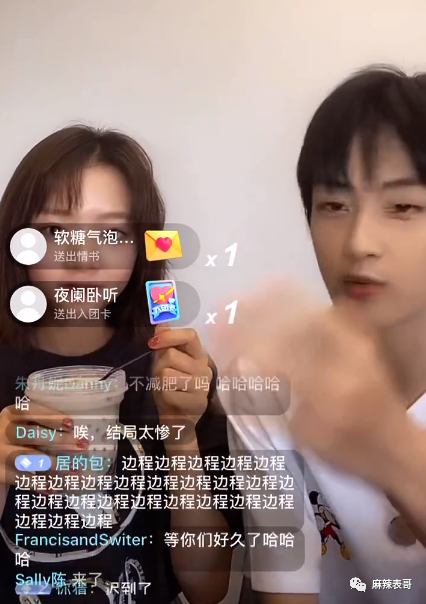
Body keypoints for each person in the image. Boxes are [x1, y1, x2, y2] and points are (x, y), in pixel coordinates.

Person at [0, 125, 242, 603]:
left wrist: (181, 436)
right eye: (54, 231)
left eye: (112, 232)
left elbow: (207, 588)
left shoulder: (177, 370)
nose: (84, 258)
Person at [217, 66, 426, 604]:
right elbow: (288, 590)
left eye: (403, 206)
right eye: (334, 205)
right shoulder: (266, 381)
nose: (359, 242)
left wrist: (397, 453)